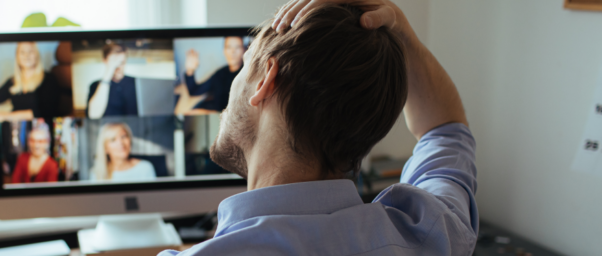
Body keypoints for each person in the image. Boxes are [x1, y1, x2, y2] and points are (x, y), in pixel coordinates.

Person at [160, 0, 477, 255]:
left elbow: (444, 129)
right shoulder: (430, 233)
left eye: (244, 65)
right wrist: (402, 32)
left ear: (265, 79)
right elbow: (445, 131)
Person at [175, 37, 245, 115]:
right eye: (229, 47)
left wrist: (210, 112)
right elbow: (194, 91)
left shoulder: (247, 74)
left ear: (244, 50)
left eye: (237, 47)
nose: (233, 52)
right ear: (224, 51)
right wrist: (190, 70)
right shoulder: (220, 73)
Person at [0, 41, 61, 122]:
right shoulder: (13, 81)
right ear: (17, 57)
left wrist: (7, 116)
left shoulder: (48, 79)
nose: (26, 55)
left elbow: (44, 112)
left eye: (31, 51)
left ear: (37, 55)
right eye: (22, 52)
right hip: (16, 128)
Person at [86, 43, 138, 119]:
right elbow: (93, 115)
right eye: (114, 62)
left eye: (122, 62)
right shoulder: (95, 85)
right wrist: (109, 72)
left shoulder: (136, 83)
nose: (118, 67)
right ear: (105, 61)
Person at [92, 122, 156, 182]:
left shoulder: (145, 168)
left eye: (123, 136)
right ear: (105, 148)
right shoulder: (97, 173)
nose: (121, 143)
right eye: (113, 139)